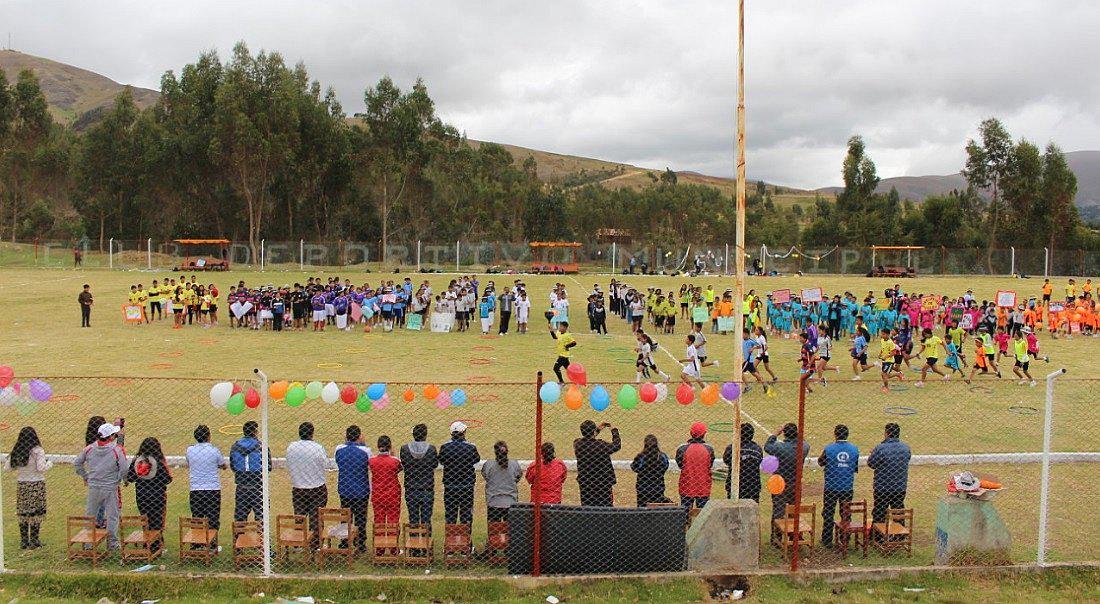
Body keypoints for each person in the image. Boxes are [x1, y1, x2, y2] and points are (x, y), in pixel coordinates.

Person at [75, 422, 127, 550]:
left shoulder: (89, 449)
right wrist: (122, 479)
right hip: (110, 487)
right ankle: (112, 543)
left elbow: (77, 463)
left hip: (94, 487)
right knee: (112, 516)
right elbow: (124, 468)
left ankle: (88, 543)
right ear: (110, 437)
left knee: (90, 515)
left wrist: (86, 477)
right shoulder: (116, 450)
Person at [7, 427, 51, 549]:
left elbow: (8, 467)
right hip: (36, 484)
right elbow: (41, 468)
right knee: (36, 513)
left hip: (22, 484)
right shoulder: (38, 451)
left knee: (23, 512)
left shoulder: (18, 450)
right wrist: (49, 463)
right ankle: (34, 540)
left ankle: (24, 541)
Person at [286, 422, 329, 547]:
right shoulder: (318, 448)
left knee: (300, 516)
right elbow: (325, 464)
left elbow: (289, 462)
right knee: (316, 518)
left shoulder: (291, 447)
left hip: (298, 487)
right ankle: (315, 545)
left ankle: (299, 543)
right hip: (317, 488)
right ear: (312, 433)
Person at [127, 437, 172, 552]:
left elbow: (130, 478)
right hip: (157, 495)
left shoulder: (138, 461)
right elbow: (168, 479)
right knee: (157, 520)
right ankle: (156, 546)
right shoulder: (158, 461)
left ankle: (148, 544)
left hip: (141, 496)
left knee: (145, 520)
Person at [817, 425, 859, 547]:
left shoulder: (829, 449)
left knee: (828, 513)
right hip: (847, 487)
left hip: (831, 487)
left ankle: (827, 540)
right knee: (846, 513)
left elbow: (820, 462)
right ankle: (845, 538)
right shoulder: (854, 449)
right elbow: (855, 467)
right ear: (847, 434)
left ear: (835, 434)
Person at [186, 425, 226, 549]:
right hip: (212, 489)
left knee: (197, 516)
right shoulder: (214, 450)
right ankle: (212, 544)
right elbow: (223, 465)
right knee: (213, 517)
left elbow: (189, 462)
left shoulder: (190, 450)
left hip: (196, 489)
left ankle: (196, 544)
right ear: (208, 436)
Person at [334, 425, 371, 552]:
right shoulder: (366, 451)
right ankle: (360, 544)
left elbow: (338, 460)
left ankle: (344, 542)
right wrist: (362, 442)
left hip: (345, 489)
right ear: (359, 436)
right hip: (361, 490)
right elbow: (369, 463)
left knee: (345, 517)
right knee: (361, 518)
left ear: (346, 436)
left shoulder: (339, 449)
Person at [867, 423, 912, 523]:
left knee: (879, 511)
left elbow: (871, 464)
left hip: (882, 487)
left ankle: (878, 536)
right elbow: (907, 459)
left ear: (887, 433)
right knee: (898, 510)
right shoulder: (905, 448)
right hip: (899, 487)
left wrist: (873, 454)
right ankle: (899, 534)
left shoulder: (880, 448)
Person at [764, 423, 809, 520]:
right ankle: (793, 533)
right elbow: (805, 442)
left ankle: (776, 534)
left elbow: (767, 446)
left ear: (784, 433)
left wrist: (776, 433)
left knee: (778, 511)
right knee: (793, 510)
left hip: (779, 482)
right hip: (795, 483)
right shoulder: (803, 447)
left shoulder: (779, 447)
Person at [438, 421, 480, 526]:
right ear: (464, 432)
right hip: (467, 485)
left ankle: (450, 538)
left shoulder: (445, 447)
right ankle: (467, 539)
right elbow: (476, 460)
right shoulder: (471, 447)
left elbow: (442, 461)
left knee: (450, 515)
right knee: (466, 515)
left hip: (450, 485)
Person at [573, 420, 621, 506]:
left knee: (587, 508)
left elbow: (588, 439)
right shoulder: (601, 446)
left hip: (586, 483)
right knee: (606, 508)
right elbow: (617, 445)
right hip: (603, 484)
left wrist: (597, 430)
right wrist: (614, 430)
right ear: (593, 431)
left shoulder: (577, 444)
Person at [400, 423, 438, 527]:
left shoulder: (404, 449)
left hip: (411, 488)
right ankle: (426, 540)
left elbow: (404, 464)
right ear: (425, 435)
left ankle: (413, 539)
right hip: (427, 487)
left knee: (413, 518)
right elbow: (434, 465)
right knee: (426, 519)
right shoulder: (431, 449)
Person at [230, 421, 268, 522]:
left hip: (242, 486)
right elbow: (268, 467)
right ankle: (262, 537)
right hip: (258, 486)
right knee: (262, 517)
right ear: (255, 432)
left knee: (240, 518)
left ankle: (238, 536)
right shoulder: (262, 446)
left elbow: (233, 466)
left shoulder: (235, 446)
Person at [675, 422, 715, 510]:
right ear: (704, 434)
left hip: (687, 485)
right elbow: (710, 464)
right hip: (703, 486)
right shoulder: (709, 449)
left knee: (685, 512)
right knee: (702, 513)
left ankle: (686, 523)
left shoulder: (682, 449)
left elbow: (680, 464)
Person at [482, 441, 522, 522]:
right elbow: (518, 477)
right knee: (509, 531)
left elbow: (486, 476)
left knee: (494, 531)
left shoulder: (488, 464)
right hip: (510, 502)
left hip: (493, 502)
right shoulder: (514, 464)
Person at [724, 423, 763, 502]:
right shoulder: (757, 449)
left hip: (735, 485)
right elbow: (759, 461)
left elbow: (726, 460)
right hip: (753, 486)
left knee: (733, 508)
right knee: (752, 511)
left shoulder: (732, 447)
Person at [369, 435, 402, 525]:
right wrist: (392, 456)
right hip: (393, 494)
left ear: (378, 446)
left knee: (379, 521)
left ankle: (379, 538)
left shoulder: (372, 461)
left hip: (378, 494)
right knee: (393, 521)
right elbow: (399, 469)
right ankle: (393, 538)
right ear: (390, 447)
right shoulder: (395, 461)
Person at [630, 434, 669, 507]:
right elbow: (666, 466)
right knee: (656, 510)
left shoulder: (641, 456)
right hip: (658, 488)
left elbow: (633, 467)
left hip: (643, 489)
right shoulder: (662, 456)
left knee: (642, 510)